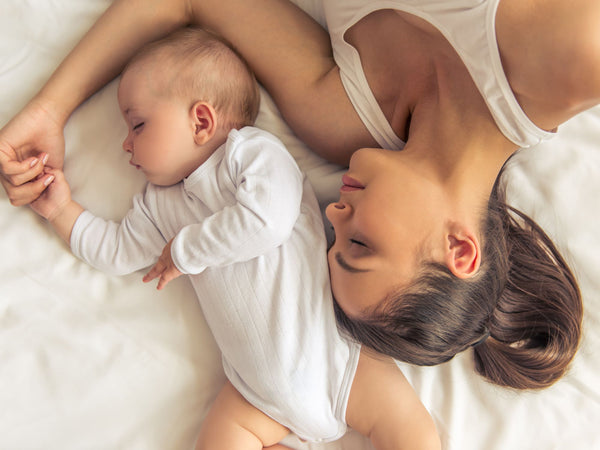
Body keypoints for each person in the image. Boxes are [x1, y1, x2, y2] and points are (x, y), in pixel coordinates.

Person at [0, 0, 589, 390]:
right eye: (357, 242)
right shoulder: (570, 60)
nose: (334, 209)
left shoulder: (335, 117)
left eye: (332, 240)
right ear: (461, 249)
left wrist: (50, 109)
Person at [25, 27, 440, 449]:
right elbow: (115, 252)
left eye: (138, 124)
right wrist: (61, 210)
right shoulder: (158, 205)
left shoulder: (251, 154)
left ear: (201, 121)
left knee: (408, 430)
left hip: (337, 358)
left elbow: (268, 220)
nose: (126, 144)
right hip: (255, 396)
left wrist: (186, 251)